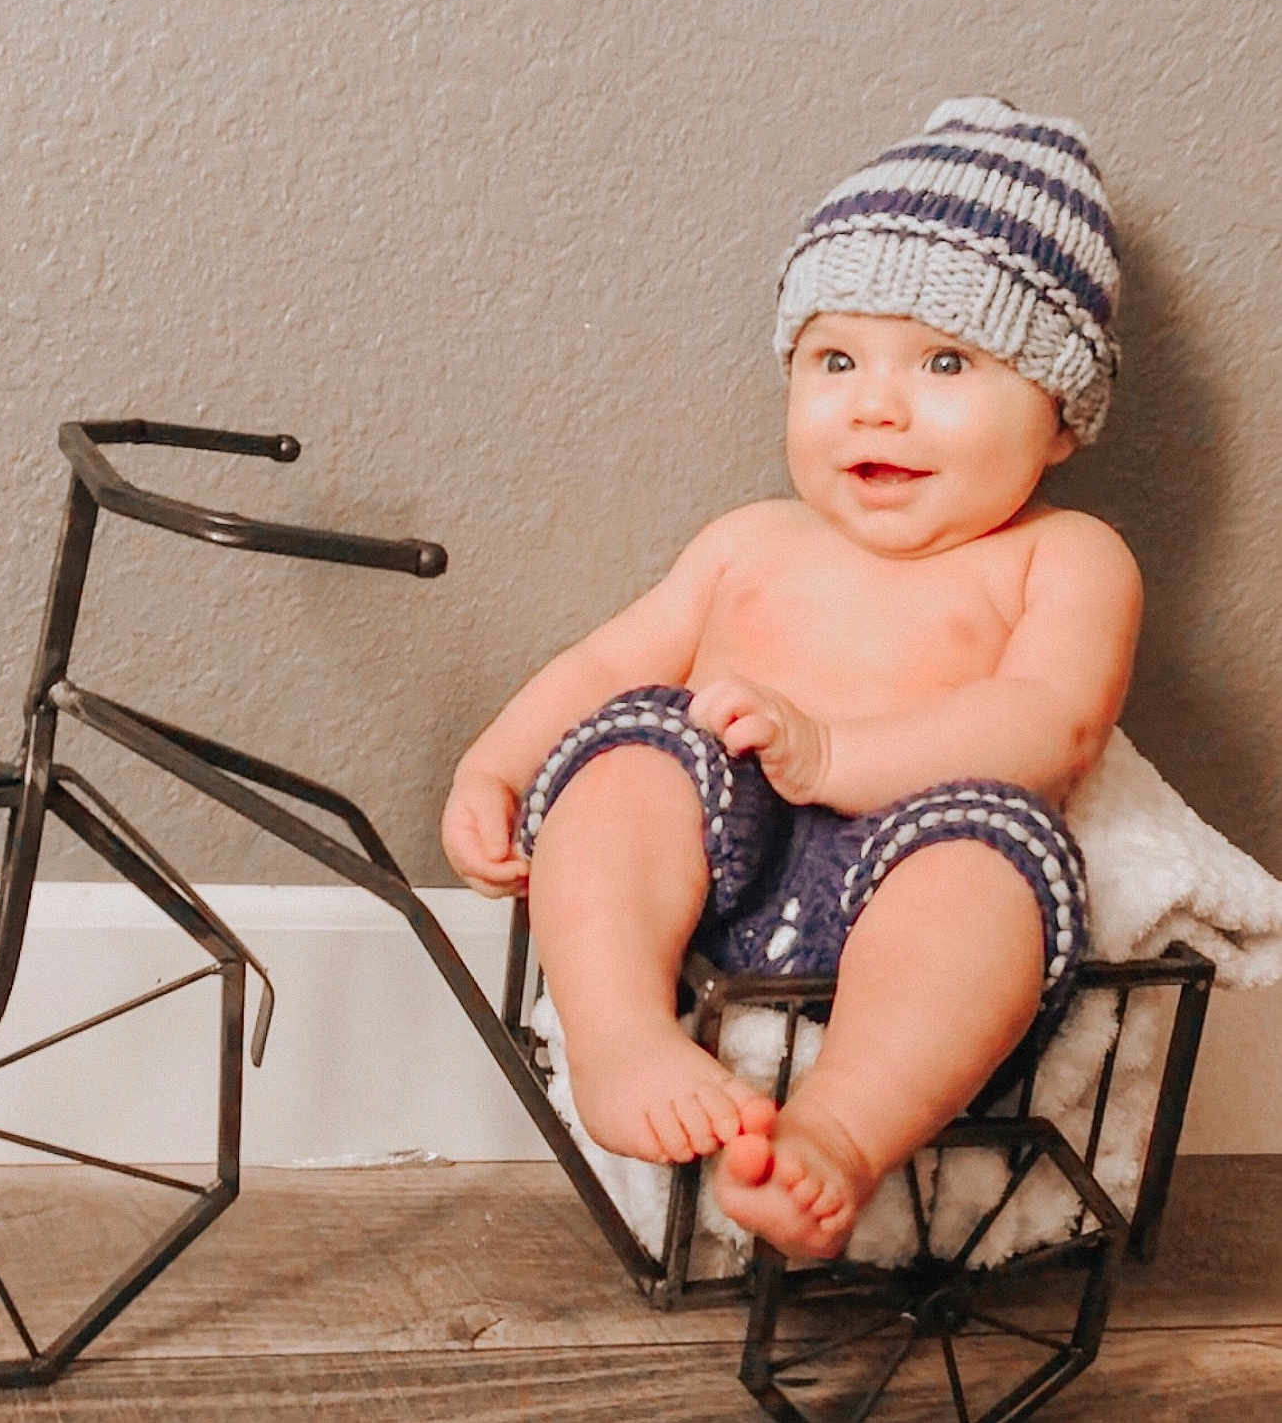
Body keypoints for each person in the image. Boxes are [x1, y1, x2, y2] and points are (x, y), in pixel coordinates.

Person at [440, 97, 1141, 1261]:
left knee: (992, 865)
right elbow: (604, 660)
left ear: (1060, 416)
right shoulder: (748, 541)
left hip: (911, 851)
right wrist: (494, 767)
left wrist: (837, 755)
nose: (876, 402)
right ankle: (618, 1035)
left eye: (945, 361)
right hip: (721, 845)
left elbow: (1052, 720)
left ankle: (838, 1132)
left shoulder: (1063, 556)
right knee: (631, 751)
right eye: (834, 358)